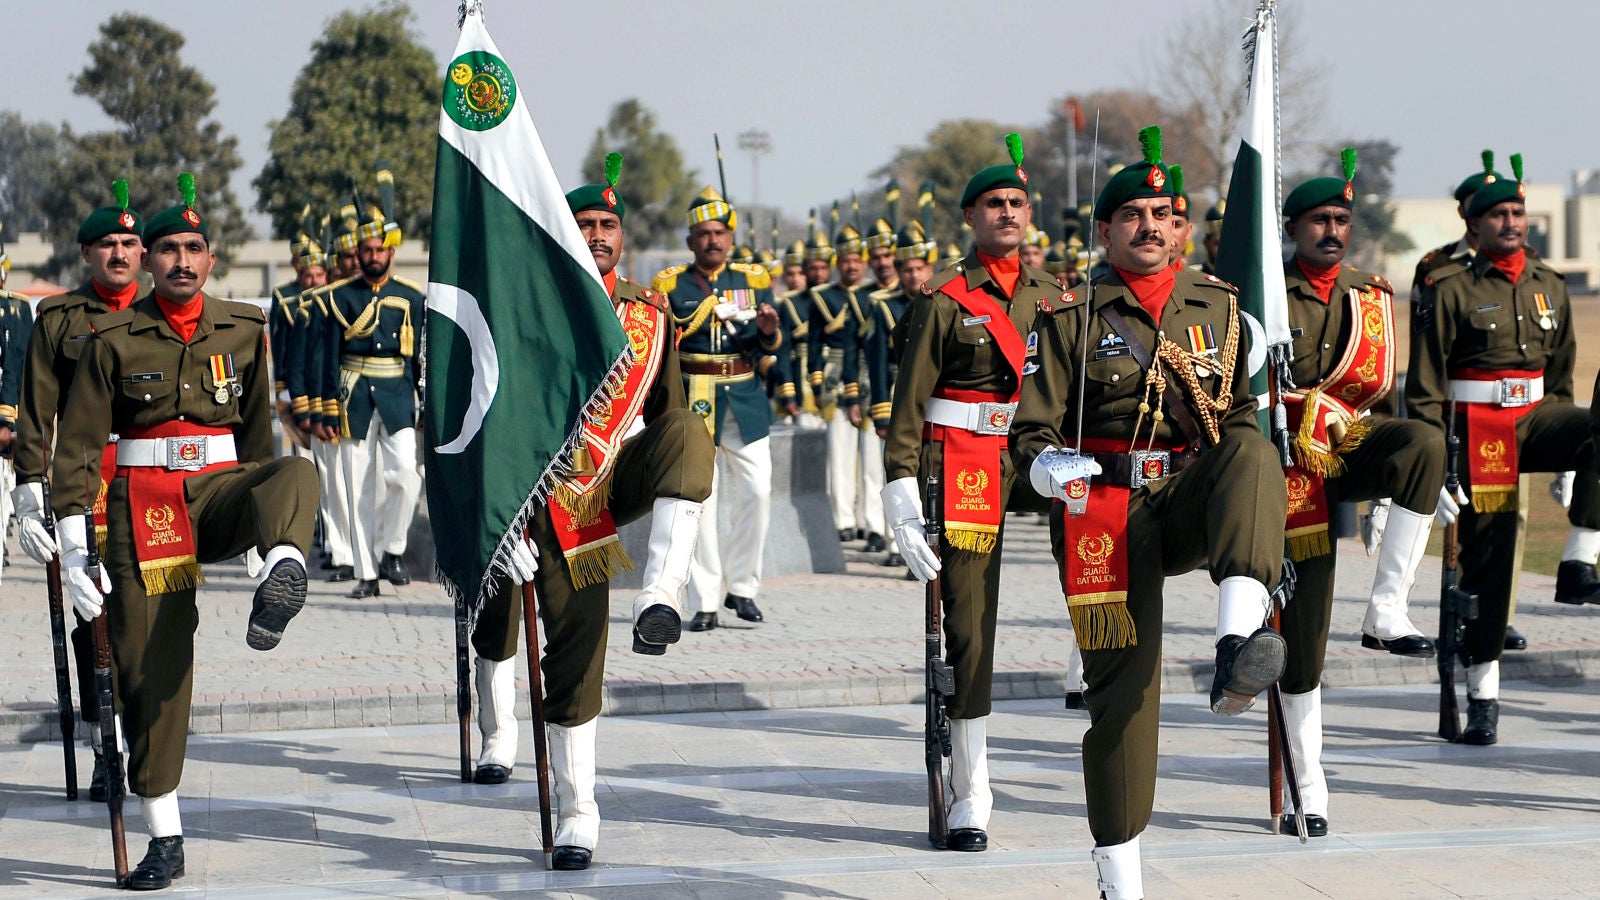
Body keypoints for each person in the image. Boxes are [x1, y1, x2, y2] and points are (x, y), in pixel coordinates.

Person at [1012, 126, 1288, 898]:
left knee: (1256, 450)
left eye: (1165, 213)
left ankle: (1237, 644)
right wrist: (1046, 462)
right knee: (1124, 700)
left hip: (1185, 496)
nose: (1151, 225)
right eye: (1133, 214)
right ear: (1105, 230)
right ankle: (1120, 878)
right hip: (1104, 507)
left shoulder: (1218, 307)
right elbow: (1028, 430)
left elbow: (1232, 417)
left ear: (1184, 229)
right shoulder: (1069, 311)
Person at [52, 174, 317, 890]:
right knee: (151, 673)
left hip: (222, 490)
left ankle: (281, 576)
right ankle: (164, 837)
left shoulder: (244, 327)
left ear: (209, 258)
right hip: (144, 507)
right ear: (149, 260)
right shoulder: (110, 336)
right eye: (166, 248)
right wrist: (76, 550)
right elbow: (77, 447)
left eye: (192, 248)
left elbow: (260, 440)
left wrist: (266, 539)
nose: (179, 260)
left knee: (295, 475)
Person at [470, 162, 714, 871]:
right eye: (586, 225)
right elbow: (486, 422)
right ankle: (512, 747)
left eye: (609, 225)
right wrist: (496, 519)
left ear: (623, 238)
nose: (599, 235)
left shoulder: (648, 314)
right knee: (519, 633)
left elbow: (663, 417)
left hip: (601, 486)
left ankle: (663, 596)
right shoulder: (522, 309)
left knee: (690, 435)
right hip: (528, 494)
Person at [882, 134, 1057, 853]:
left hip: (1040, 454)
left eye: (1017, 202)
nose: (1008, 213)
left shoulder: (1058, 297)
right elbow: (907, 403)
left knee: (1108, 548)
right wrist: (899, 490)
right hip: (962, 460)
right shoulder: (945, 300)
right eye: (995, 204)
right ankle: (971, 790)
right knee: (970, 626)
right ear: (970, 216)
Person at [1275, 152, 1446, 837]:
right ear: (1292, 227)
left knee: (1425, 444)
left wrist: (1417, 489)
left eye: (1343, 219)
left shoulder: (1368, 294)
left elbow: (1381, 398)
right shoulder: (1262, 290)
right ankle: (1308, 784)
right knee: (1306, 637)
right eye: (1320, 219)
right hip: (1282, 467)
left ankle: (1386, 610)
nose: (1334, 231)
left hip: (1344, 448)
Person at [1406, 153, 1600, 746]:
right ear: (1473, 221)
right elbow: (1425, 384)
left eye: (1517, 211)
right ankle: (1483, 695)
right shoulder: (1449, 285)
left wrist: (1577, 457)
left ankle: (1578, 561)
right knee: (1492, 562)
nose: (1512, 221)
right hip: (1479, 430)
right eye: (1499, 214)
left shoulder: (1548, 281)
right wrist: (1435, 461)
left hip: (1538, 415)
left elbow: (1562, 371)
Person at [12, 180, 144, 804]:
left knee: (148, 614)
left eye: (129, 242)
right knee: (94, 616)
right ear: (86, 254)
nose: (119, 253)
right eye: (107, 244)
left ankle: (148, 737)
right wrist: (29, 496)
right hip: (84, 481)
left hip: (151, 481)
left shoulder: (162, 314)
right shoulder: (58, 318)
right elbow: (38, 415)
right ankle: (105, 745)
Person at [1410, 152, 1532, 653]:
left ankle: (1496, 614)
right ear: (1469, 214)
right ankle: (1458, 605)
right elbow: (1429, 351)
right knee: (1458, 525)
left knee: (1511, 518)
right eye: (1482, 207)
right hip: (1460, 417)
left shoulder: (1529, 270)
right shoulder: (1439, 267)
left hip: (1513, 418)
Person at [654, 188, 787, 631]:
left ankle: (743, 588)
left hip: (745, 397)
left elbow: (767, 345)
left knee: (759, 491)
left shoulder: (754, 279)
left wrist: (768, 332)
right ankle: (706, 600)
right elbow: (660, 349)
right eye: (703, 234)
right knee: (700, 502)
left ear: (730, 238)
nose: (712, 241)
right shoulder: (671, 284)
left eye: (719, 233)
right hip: (695, 399)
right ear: (690, 241)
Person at [317, 165, 425, 598]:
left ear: (391, 252)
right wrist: (324, 407)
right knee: (357, 485)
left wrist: (424, 401)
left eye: (380, 248)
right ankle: (366, 572)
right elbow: (326, 354)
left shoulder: (412, 296)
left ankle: (393, 549)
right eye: (367, 248)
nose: (374, 255)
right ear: (357, 252)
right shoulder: (340, 297)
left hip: (398, 394)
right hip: (352, 397)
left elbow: (419, 355)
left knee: (404, 476)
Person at [865, 222, 937, 569]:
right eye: (906, 269)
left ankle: (931, 540)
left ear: (930, 268)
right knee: (896, 469)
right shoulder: (881, 306)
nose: (912, 275)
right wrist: (880, 411)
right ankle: (899, 543)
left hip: (934, 400)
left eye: (918, 268)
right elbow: (877, 362)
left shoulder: (941, 300)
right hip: (898, 397)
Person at [809, 225, 873, 545]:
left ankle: (869, 520)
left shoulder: (873, 296)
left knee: (872, 456)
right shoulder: (824, 297)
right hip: (835, 375)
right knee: (841, 451)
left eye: (856, 261)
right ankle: (843, 518)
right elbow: (813, 341)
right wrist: (817, 383)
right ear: (838, 264)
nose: (851, 266)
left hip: (869, 374)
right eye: (846, 260)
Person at [774, 237, 822, 428]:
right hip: (799, 378)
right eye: (791, 273)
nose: (796, 278)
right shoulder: (786, 303)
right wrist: (788, 394)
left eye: (801, 272)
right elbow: (783, 351)